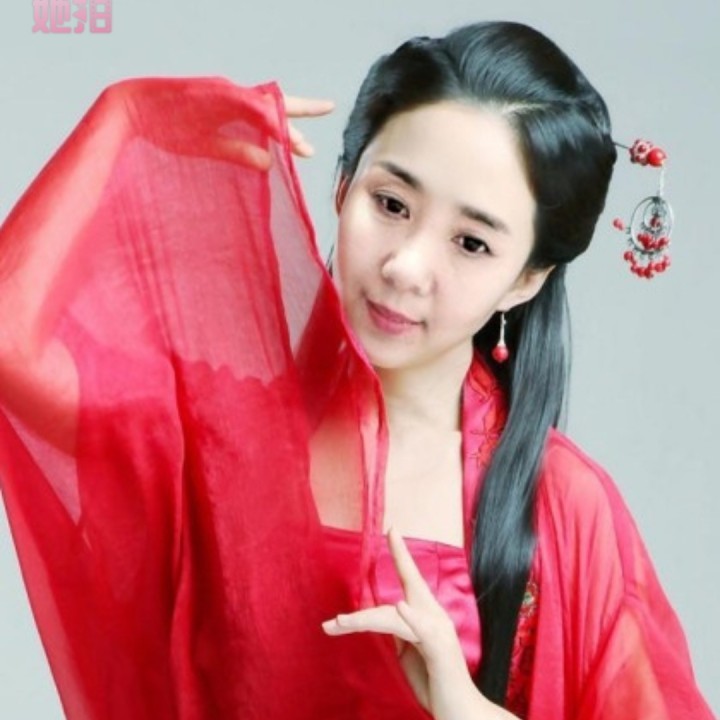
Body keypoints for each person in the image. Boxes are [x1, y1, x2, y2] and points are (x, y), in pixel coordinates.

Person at [0, 20, 713, 720]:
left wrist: (469, 711)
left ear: (526, 278)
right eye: (391, 204)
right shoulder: (217, 437)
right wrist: (127, 124)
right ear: (343, 187)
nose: (405, 265)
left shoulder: (559, 505)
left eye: (470, 242)